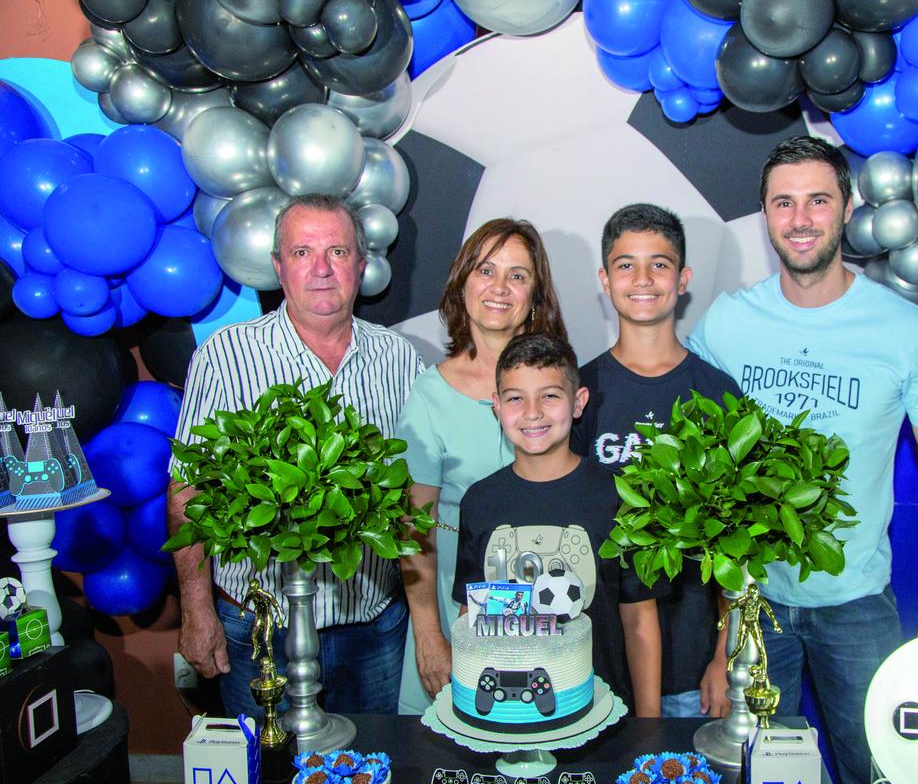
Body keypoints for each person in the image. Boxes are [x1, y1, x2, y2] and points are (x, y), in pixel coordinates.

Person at [687, 136, 918, 784]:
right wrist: (723, 620)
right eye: (783, 203)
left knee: (880, 773)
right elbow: (698, 471)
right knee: (754, 776)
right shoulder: (727, 325)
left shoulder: (907, 330)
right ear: (765, 216)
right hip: (754, 602)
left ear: (847, 209)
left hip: (858, 603)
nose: (801, 218)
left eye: (818, 200)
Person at [168, 193, 426, 718]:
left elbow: (413, 494)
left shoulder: (401, 358)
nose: (323, 269)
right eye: (304, 252)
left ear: (360, 263)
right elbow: (187, 490)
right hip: (259, 628)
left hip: (371, 625)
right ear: (278, 267)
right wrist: (196, 609)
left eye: (337, 251)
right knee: (273, 776)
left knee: (370, 769)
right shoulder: (227, 354)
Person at [571, 203, 740, 718]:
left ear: (683, 278)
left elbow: (739, 544)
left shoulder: (716, 393)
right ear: (605, 279)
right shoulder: (577, 393)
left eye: (659, 264)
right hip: (591, 668)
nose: (642, 279)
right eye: (626, 265)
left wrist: (724, 658)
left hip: (692, 670)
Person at [396, 219, 568, 715]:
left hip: (551, 613)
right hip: (457, 615)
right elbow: (412, 529)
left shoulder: (560, 381)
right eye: (486, 270)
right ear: (462, 283)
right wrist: (429, 632)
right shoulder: (429, 397)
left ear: (536, 295)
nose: (499, 288)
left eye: (517, 275)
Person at [453, 333, 663, 715]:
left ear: (578, 402)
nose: (532, 412)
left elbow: (639, 619)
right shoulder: (480, 502)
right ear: (497, 407)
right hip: (509, 711)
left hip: (603, 707)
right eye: (516, 398)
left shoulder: (619, 496)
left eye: (549, 395)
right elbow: (471, 618)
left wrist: (649, 725)